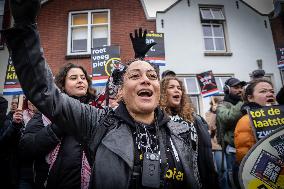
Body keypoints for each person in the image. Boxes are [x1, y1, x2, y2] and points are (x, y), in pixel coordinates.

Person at [4, 1, 214, 188]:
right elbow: (45, 93)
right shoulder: (98, 122)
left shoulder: (182, 131)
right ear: (120, 91)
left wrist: (139, 59)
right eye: (135, 76)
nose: (146, 80)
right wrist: (25, 26)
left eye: (152, 75)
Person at [19, 63, 95, 189]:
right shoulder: (47, 113)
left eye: (83, 77)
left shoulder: (96, 112)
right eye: (73, 78)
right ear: (62, 84)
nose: (80, 81)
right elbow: (26, 148)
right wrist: (58, 127)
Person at [159, 76, 219, 189]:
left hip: (196, 176)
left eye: (179, 88)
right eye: (171, 87)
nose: (177, 90)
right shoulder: (157, 119)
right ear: (162, 93)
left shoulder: (193, 119)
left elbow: (204, 152)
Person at [234, 79, 276, 163]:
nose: (270, 94)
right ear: (250, 98)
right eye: (263, 91)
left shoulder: (280, 115)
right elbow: (244, 157)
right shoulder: (246, 121)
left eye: (272, 91)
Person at [215, 77, 246, 188]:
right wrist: (243, 102)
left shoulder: (245, 103)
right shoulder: (222, 105)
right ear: (227, 89)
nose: (240, 90)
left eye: (241, 87)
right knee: (234, 180)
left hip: (248, 148)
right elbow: (229, 118)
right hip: (233, 152)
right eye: (236, 87)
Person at [205, 96, 230, 189]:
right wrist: (214, 113)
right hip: (217, 146)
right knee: (222, 170)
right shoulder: (209, 114)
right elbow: (210, 127)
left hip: (229, 145)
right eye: (219, 103)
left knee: (230, 171)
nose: (221, 105)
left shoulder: (226, 112)